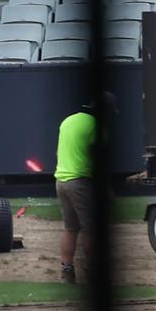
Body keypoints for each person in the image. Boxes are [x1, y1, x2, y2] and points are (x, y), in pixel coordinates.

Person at [54, 93, 109, 284]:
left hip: (61, 180)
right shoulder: (96, 125)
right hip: (80, 182)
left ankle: (66, 271)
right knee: (90, 229)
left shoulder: (67, 121)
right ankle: (92, 270)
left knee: (70, 228)